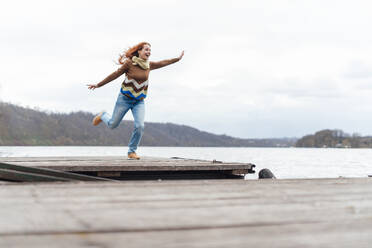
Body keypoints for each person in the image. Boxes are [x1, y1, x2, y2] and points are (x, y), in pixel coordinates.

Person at [87, 42, 184, 160]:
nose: (149, 52)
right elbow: (115, 75)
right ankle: (103, 115)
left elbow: (163, 62)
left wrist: (177, 59)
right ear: (139, 51)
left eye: (150, 50)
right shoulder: (129, 63)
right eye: (146, 49)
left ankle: (131, 151)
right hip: (124, 99)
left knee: (140, 126)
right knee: (112, 124)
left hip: (139, 101)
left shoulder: (149, 65)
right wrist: (98, 84)